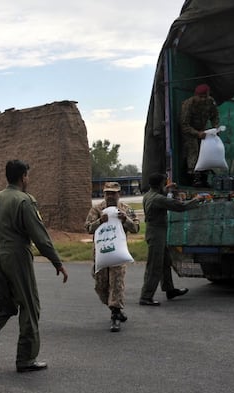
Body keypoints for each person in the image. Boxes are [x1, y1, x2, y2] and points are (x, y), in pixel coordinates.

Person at [0, 159, 68, 373]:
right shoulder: (24, 201)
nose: (29, 179)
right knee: (29, 305)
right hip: (16, 256)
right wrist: (57, 262)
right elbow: (40, 237)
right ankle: (25, 358)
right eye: (28, 175)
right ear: (23, 176)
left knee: (3, 305)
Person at [139, 173, 202, 306]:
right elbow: (180, 206)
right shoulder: (158, 199)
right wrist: (197, 200)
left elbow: (161, 193)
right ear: (160, 184)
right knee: (154, 266)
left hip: (155, 233)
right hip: (156, 234)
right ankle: (146, 296)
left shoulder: (149, 195)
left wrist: (167, 188)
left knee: (165, 262)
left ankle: (169, 289)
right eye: (164, 183)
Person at [85, 182, 140, 332]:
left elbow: (136, 228)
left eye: (113, 193)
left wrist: (125, 220)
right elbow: (88, 228)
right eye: (107, 193)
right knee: (100, 285)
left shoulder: (125, 209)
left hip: (118, 254)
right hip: (101, 254)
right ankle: (115, 308)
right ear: (104, 194)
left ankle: (115, 314)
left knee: (116, 284)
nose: (110, 196)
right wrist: (99, 221)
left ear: (119, 194)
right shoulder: (97, 209)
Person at [179, 83, 220, 187]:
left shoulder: (210, 102)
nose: (202, 99)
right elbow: (184, 125)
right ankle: (193, 178)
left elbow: (215, 116)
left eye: (205, 97)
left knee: (206, 152)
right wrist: (197, 133)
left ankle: (204, 177)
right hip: (189, 132)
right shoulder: (188, 104)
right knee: (194, 151)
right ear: (195, 95)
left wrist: (215, 127)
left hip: (203, 130)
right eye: (200, 97)